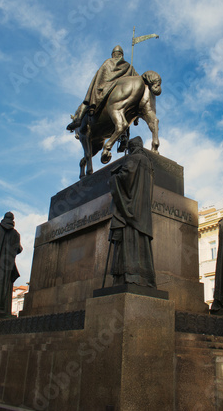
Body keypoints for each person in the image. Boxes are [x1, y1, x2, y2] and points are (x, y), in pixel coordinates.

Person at [108, 136, 157, 287]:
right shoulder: (148, 163)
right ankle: (145, 278)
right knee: (141, 244)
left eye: (129, 149)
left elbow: (125, 178)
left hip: (130, 211)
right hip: (143, 213)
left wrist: (114, 177)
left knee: (129, 242)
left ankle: (129, 277)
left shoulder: (133, 159)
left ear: (132, 148)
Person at [67, 45, 138, 131]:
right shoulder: (129, 66)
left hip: (105, 89)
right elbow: (137, 81)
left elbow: (98, 77)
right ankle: (124, 137)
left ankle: (78, 120)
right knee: (126, 112)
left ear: (113, 54)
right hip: (122, 92)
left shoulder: (108, 62)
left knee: (89, 97)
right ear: (122, 55)